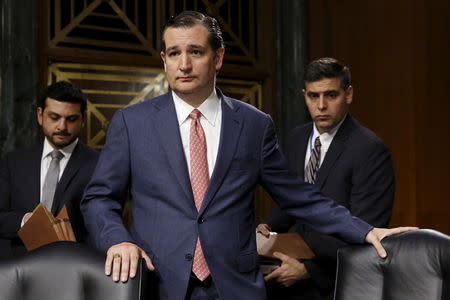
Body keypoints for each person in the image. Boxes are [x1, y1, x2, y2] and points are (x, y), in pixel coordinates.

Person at [81, 11, 414, 300]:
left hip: (234, 287)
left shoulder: (254, 124)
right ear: (164, 60)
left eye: (195, 51)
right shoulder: (132, 122)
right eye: (174, 53)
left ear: (218, 58)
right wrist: (117, 240)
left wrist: (364, 230)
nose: (183, 64)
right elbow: (98, 197)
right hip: (157, 284)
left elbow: (299, 197)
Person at [257, 57, 395, 300]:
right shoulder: (296, 138)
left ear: (348, 94)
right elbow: (293, 202)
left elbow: (366, 229)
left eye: (331, 95)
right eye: (313, 96)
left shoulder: (370, 149)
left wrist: (309, 271)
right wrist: (268, 226)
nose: (321, 105)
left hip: (332, 286)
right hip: (283, 277)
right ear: (304, 95)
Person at [0, 81, 99, 258]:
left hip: (72, 267)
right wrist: (25, 221)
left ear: (83, 119)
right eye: (54, 117)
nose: (62, 126)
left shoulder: (100, 164)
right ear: (40, 115)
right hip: (16, 268)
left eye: (71, 119)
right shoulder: (13, 162)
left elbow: (101, 225)